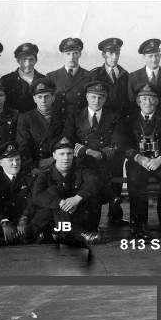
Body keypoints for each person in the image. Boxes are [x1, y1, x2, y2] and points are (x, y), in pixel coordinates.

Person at [63, 80, 126, 225]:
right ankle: (109, 199)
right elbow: (68, 139)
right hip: (81, 160)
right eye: (93, 97)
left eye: (101, 97)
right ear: (86, 97)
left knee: (96, 175)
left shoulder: (114, 116)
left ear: (105, 98)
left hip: (105, 161)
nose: (96, 100)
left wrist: (103, 154)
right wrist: (88, 150)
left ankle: (91, 226)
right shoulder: (75, 115)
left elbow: (118, 142)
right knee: (91, 176)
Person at [123, 83, 161, 239]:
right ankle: (139, 226)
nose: (148, 102)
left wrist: (160, 160)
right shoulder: (129, 119)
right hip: (138, 162)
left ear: (157, 101)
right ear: (138, 101)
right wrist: (140, 158)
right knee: (135, 181)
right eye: (144, 99)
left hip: (160, 161)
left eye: (152, 99)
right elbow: (124, 144)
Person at [29, 137, 103, 245]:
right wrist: (60, 202)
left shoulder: (81, 171)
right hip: (52, 218)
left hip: (76, 214)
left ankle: (59, 235)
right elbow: (37, 196)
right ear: (54, 155)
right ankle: (80, 235)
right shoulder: (45, 175)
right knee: (54, 194)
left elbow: (95, 182)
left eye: (69, 154)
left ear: (73, 155)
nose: (66, 158)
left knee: (92, 193)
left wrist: (77, 198)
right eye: (61, 154)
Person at [0, 141, 39, 244]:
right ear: (0, 162)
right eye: (11, 160)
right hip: (4, 221)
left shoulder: (29, 179)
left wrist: (24, 217)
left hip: (24, 220)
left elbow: (33, 201)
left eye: (18, 159)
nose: (15, 163)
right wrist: (4, 221)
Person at [16, 78, 65, 173]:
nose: (43, 100)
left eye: (47, 96)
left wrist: (54, 159)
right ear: (34, 99)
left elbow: (66, 142)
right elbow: (23, 146)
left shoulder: (62, 117)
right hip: (35, 165)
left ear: (53, 98)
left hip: (58, 163)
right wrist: (32, 167)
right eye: (40, 97)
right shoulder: (26, 118)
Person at [128, 39, 161, 117]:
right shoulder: (134, 76)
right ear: (144, 57)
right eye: (150, 56)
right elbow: (131, 102)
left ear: (160, 56)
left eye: (157, 55)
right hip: (141, 123)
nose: (154, 59)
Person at [45, 37, 91, 119]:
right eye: (68, 54)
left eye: (75, 53)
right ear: (62, 55)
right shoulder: (51, 77)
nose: (72, 57)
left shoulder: (89, 76)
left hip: (81, 122)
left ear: (80, 54)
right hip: (60, 122)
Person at [90, 38, 131, 119]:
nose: (114, 57)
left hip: (121, 121)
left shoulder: (126, 75)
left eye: (117, 53)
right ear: (103, 55)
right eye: (111, 53)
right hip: (101, 120)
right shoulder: (95, 75)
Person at [1, 42, 45, 114]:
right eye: (24, 60)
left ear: (36, 60)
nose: (27, 64)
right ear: (18, 61)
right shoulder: (6, 80)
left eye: (31, 59)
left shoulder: (44, 79)